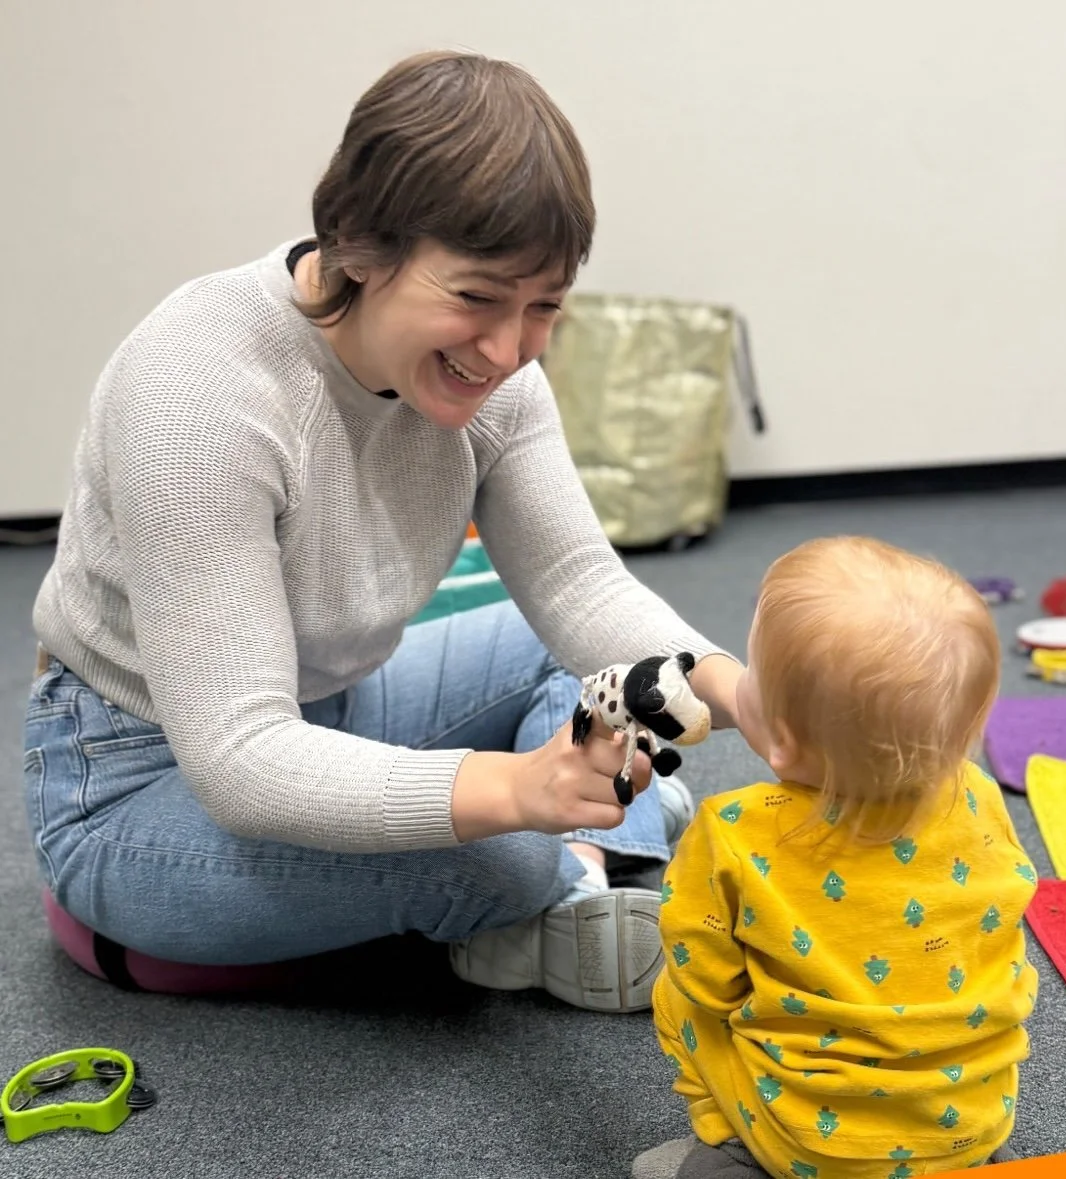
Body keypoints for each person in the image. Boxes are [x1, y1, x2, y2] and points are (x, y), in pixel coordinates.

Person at [21, 49, 747, 1012]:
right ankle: (580, 864)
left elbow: (578, 586)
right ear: (359, 248)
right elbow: (241, 760)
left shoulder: (499, 378)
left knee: (575, 664)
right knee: (498, 854)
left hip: (330, 703)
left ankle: (584, 856)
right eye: (477, 298)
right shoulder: (199, 394)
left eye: (544, 308)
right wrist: (518, 793)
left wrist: (755, 696)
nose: (508, 350)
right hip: (135, 781)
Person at [632, 537, 1039, 1178]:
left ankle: (734, 1150)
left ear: (785, 745)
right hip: (977, 1118)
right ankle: (950, 1154)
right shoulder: (978, 794)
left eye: (753, 674)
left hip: (812, 1140)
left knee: (673, 995)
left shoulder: (732, 831)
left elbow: (707, 980)